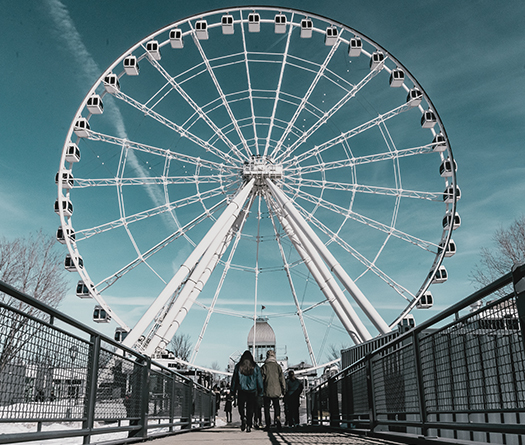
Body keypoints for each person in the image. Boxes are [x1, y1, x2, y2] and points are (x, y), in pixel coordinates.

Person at [231, 350, 263, 433]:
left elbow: (234, 380)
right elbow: (259, 380)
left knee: (241, 406)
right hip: (252, 391)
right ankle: (249, 424)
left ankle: (243, 417)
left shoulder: (238, 366)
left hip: (241, 390)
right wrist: (260, 391)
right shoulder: (255, 366)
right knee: (250, 408)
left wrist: (232, 391)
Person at [261, 350, 285, 430]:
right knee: (276, 406)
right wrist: (283, 389)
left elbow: (262, 379)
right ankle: (277, 420)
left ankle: (268, 424)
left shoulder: (264, 367)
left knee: (267, 408)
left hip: (266, 390)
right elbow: (282, 379)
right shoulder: (278, 366)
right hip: (276, 390)